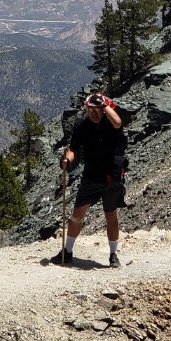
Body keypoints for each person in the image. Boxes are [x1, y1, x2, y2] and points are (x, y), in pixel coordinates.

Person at [50, 92, 127, 268]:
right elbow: (74, 148)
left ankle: (113, 255)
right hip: (91, 175)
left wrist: (105, 104)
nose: (94, 113)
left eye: (97, 109)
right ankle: (67, 252)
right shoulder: (81, 125)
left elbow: (118, 122)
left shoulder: (110, 122)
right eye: (90, 109)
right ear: (86, 109)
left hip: (111, 175)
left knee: (111, 216)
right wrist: (67, 159)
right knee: (77, 214)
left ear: (103, 109)